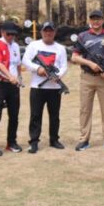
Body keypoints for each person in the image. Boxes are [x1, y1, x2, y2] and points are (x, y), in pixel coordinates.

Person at [71, 9, 104, 152]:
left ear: (103, 20)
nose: (95, 21)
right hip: (87, 78)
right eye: (93, 19)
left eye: (98, 18)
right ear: (89, 20)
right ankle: (84, 139)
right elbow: (74, 57)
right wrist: (90, 64)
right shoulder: (82, 37)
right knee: (85, 110)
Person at [22, 21, 68, 153]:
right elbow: (25, 60)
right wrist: (38, 69)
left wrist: (57, 76)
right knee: (35, 115)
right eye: (46, 30)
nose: (48, 33)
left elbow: (64, 65)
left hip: (54, 88)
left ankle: (54, 140)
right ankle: (34, 141)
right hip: (37, 87)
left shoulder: (60, 48)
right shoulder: (33, 45)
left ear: (55, 32)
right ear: (41, 32)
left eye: (51, 31)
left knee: (54, 115)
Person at [0, 21, 24, 155]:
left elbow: (18, 63)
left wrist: (19, 77)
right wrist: (9, 76)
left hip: (13, 85)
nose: (10, 37)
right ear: (2, 32)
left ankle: (12, 142)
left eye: (13, 35)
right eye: (8, 34)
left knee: (14, 114)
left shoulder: (15, 46)